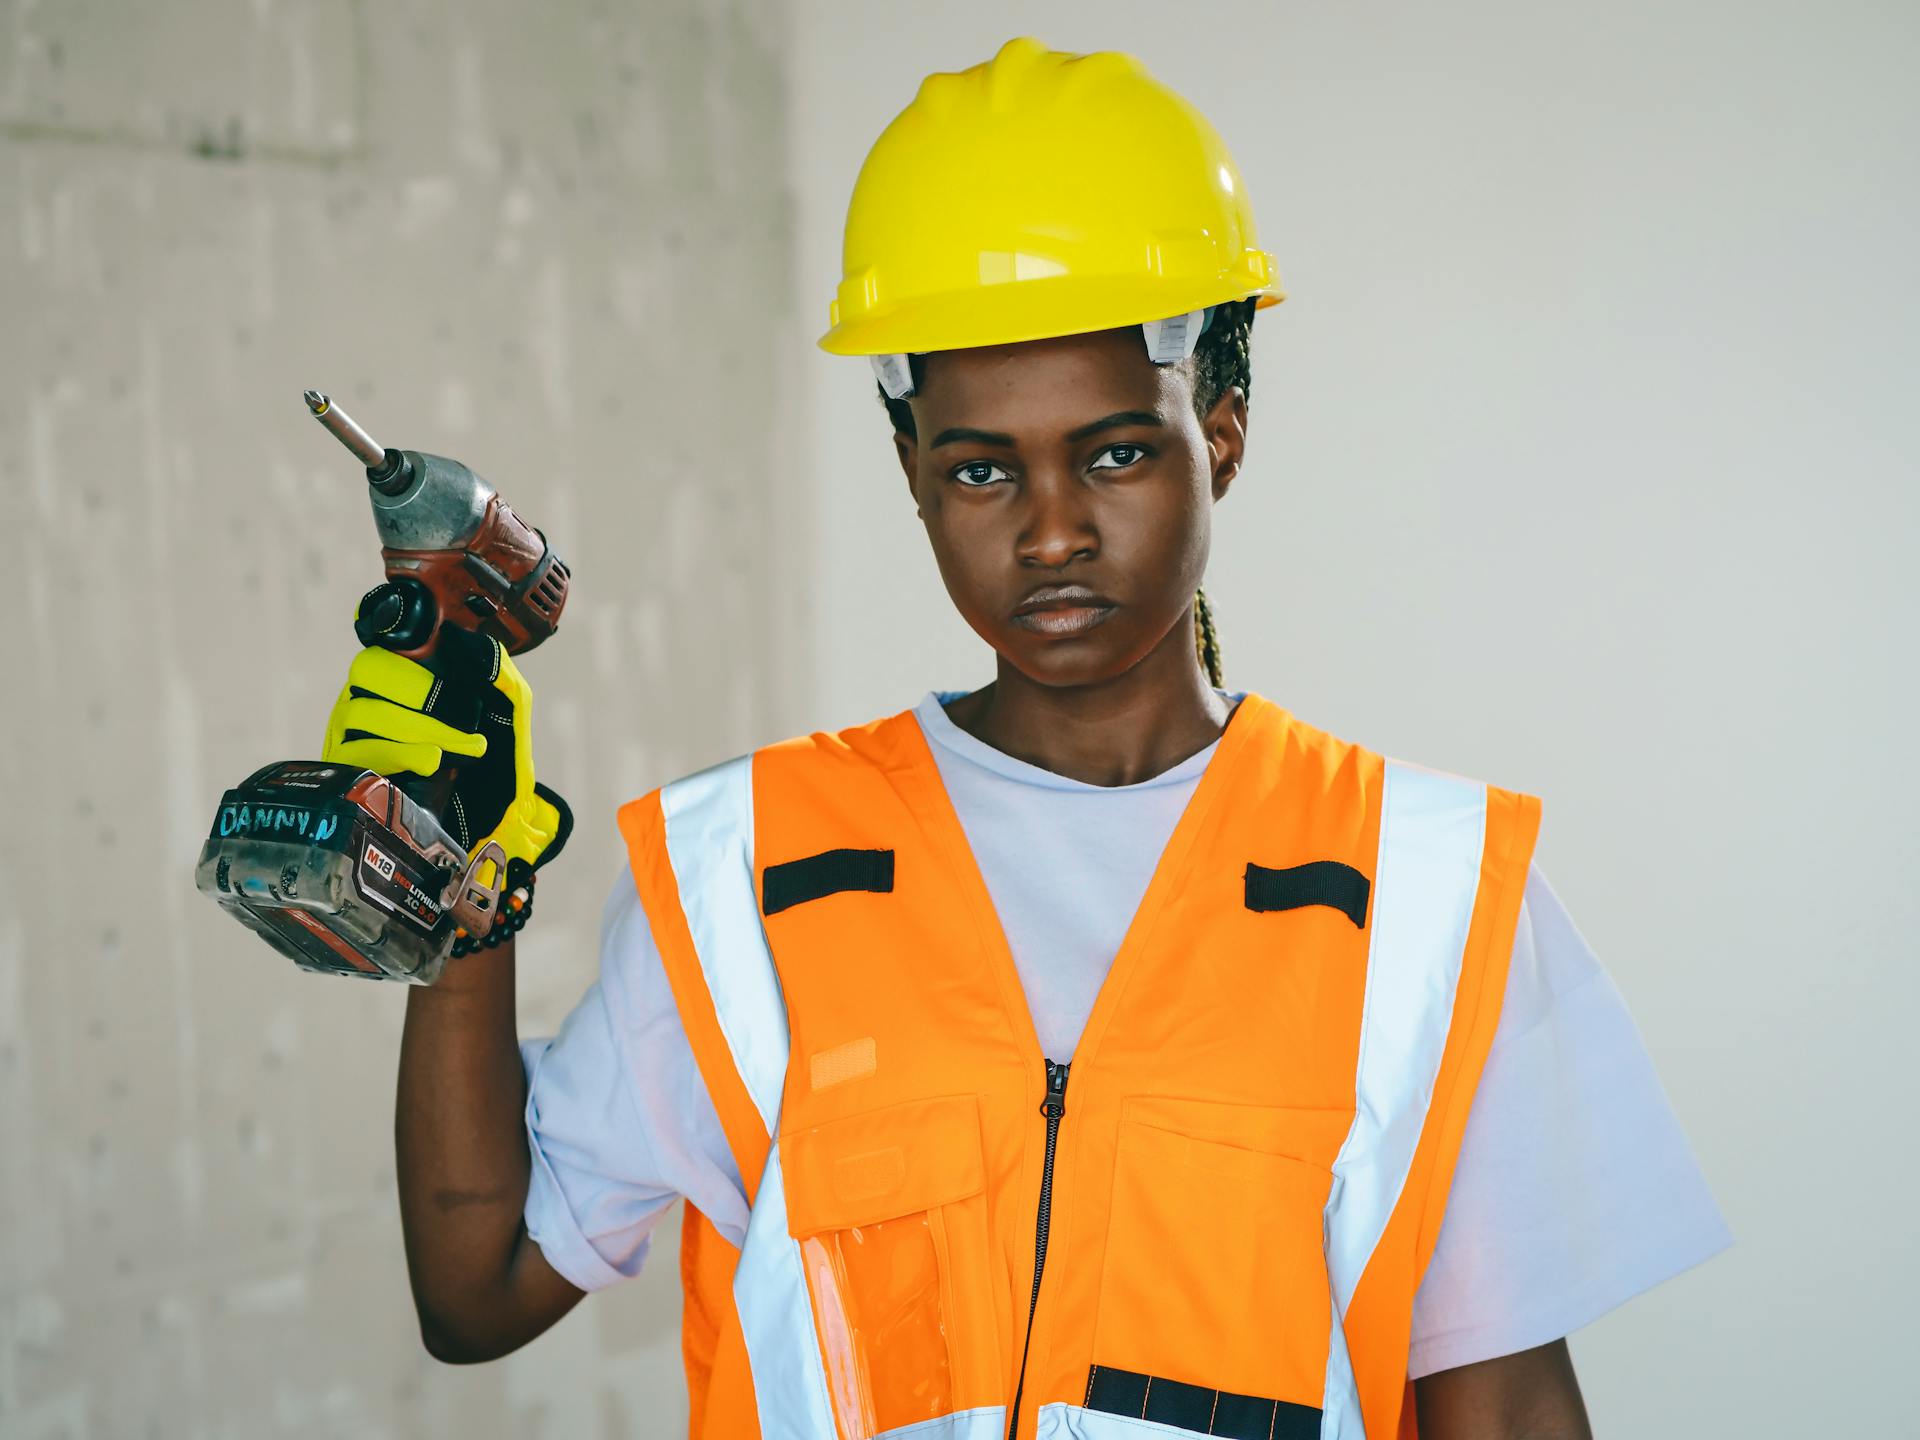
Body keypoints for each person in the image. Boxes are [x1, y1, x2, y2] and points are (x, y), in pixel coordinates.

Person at [324, 35, 1730, 1440]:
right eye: (982, 468)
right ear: (914, 474)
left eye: (1115, 450)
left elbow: (1506, 1408)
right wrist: (456, 889)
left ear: (1222, 432)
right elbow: (478, 1289)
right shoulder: (746, 870)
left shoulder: (1429, 896)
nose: (1051, 529)